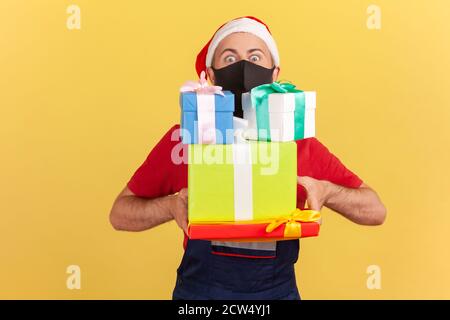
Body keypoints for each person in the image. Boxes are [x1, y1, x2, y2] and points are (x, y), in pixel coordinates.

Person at [109, 16, 386, 300]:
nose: (243, 68)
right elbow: (119, 214)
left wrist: (328, 191)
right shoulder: (186, 139)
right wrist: (170, 206)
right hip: (200, 296)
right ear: (212, 75)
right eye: (230, 58)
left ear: (274, 74)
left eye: (255, 57)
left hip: (277, 294)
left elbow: (376, 211)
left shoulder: (297, 141)